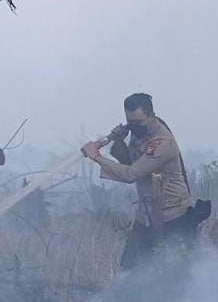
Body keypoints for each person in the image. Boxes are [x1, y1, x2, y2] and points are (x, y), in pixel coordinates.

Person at [81, 93, 209, 268]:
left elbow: (131, 174)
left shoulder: (162, 142)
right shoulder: (139, 133)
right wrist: (118, 141)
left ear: (151, 115)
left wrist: (96, 157)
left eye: (138, 122)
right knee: (129, 269)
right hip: (146, 215)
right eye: (130, 122)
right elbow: (129, 162)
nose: (134, 127)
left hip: (173, 216)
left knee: (176, 272)